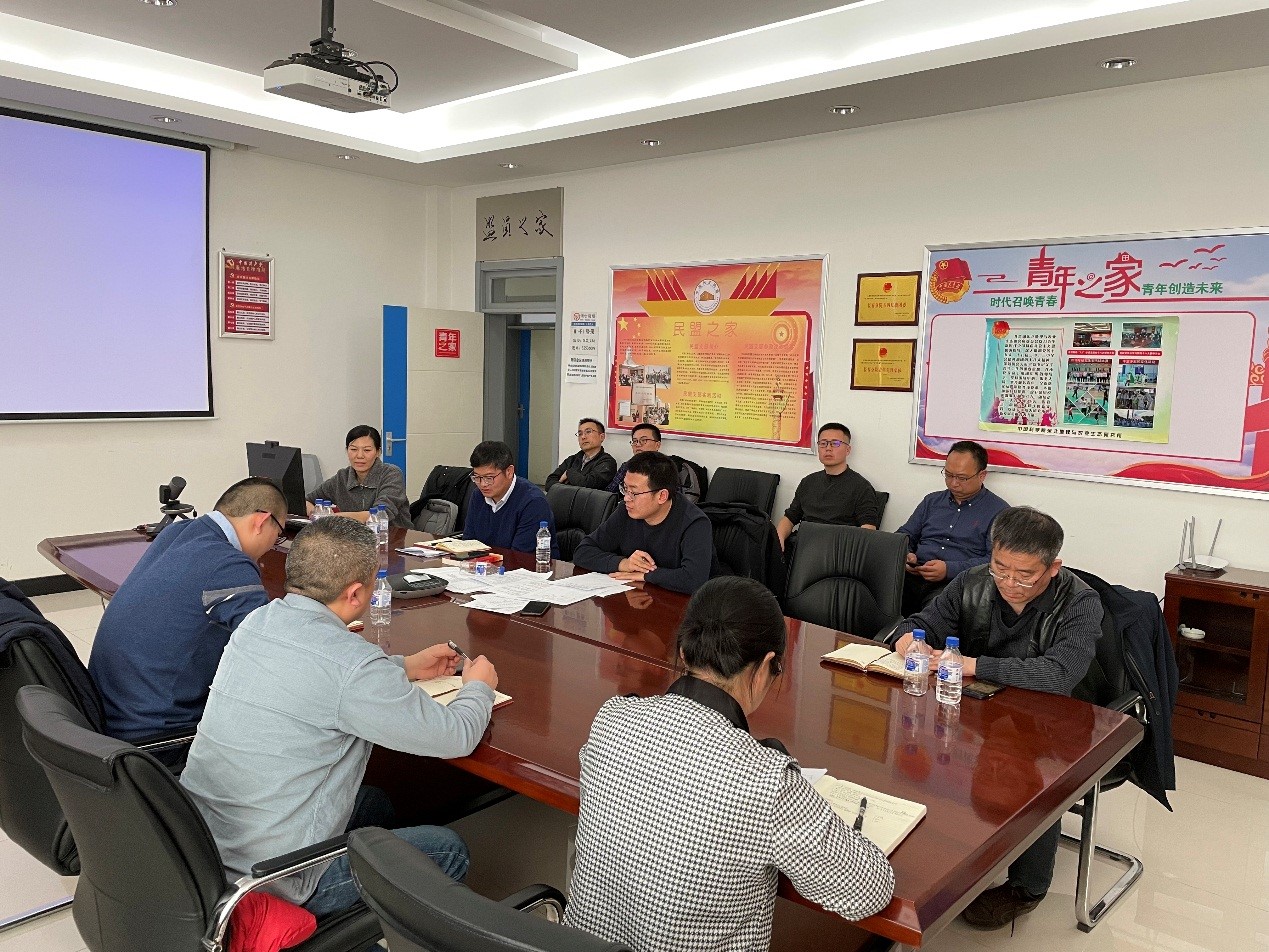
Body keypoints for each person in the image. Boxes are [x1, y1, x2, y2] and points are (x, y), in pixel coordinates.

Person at [179, 517, 500, 917]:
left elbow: (321, 675)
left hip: (199, 852)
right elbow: (456, 736)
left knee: (375, 803)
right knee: (449, 849)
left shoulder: (258, 622)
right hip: (272, 881)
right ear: (355, 593)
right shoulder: (352, 665)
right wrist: (479, 687)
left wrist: (404, 666)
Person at [564, 576, 895, 951]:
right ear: (765, 665)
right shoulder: (767, 779)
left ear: (684, 652)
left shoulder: (611, 719)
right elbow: (868, 890)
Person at [887, 506, 1101, 930]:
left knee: (1029, 777)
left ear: (1053, 567)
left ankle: (1027, 887)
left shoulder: (1080, 602)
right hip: (982, 708)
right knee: (928, 754)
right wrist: (910, 638)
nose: (1008, 582)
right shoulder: (972, 582)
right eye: (1000, 568)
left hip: (1053, 721)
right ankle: (948, 855)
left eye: (1024, 575)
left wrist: (974, 665)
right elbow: (923, 621)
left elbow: (1060, 674)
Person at [88, 477, 287, 741]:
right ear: (261, 521)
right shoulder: (227, 564)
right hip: (156, 734)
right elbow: (275, 650)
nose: (274, 543)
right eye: (279, 534)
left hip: (110, 714)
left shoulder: (175, 533)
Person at [573, 451, 714, 594]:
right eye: (625, 489)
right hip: (638, 595)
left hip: (681, 602)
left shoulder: (695, 523)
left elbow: (693, 580)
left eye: (634, 493)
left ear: (662, 496)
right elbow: (582, 551)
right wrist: (623, 563)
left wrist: (646, 575)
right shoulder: (625, 511)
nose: (626, 498)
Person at [896, 440, 1009, 614]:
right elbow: (904, 534)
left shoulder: (999, 511)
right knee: (874, 594)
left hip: (956, 583)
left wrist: (949, 569)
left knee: (934, 610)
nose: (953, 483)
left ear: (982, 475)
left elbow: (995, 561)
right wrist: (906, 554)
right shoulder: (932, 501)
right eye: (948, 475)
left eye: (962, 478)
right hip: (913, 574)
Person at [776, 423, 880, 549]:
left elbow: (868, 529)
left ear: (848, 450)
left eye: (835, 443)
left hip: (836, 549)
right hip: (803, 544)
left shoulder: (862, 487)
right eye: (823, 443)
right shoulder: (808, 482)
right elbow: (789, 518)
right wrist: (778, 540)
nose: (828, 448)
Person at [462, 440, 557, 555]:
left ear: (509, 472)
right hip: (485, 563)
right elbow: (469, 543)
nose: (482, 484)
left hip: (526, 564)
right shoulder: (478, 495)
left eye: (489, 478)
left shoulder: (533, 502)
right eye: (477, 477)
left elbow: (518, 556)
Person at [305, 424, 411, 528]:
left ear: (378, 452)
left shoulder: (391, 474)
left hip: (392, 536)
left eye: (367, 450)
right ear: (347, 451)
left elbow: (380, 514)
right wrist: (316, 514)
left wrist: (332, 517)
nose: (359, 456)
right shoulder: (342, 477)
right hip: (352, 537)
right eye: (354, 449)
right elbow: (307, 501)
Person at [605, 422, 705, 503]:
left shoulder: (667, 469)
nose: (638, 444)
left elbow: (674, 501)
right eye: (635, 441)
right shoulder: (628, 466)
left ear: (657, 445)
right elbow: (609, 493)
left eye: (644, 440)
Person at [545, 418, 617, 491]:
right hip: (565, 498)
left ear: (602, 437)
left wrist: (569, 474)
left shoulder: (607, 462)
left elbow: (588, 485)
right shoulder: (572, 460)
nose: (583, 437)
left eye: (588, 432)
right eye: (580, 434)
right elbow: (549, 483)